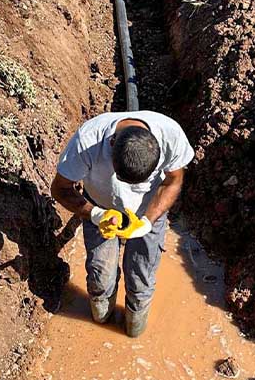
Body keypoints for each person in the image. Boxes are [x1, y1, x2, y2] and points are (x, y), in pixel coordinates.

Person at [51, 110, 193, 337]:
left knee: (140, 284)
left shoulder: (171, 135)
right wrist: (97, 215)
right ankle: (103, 317)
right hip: (99, 207)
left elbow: (173, 181)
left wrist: (146, 223)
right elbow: (59, 189)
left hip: (148, 212)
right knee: (100, 279)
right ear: (111, 143)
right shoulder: (87, 142)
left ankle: (133, 327)